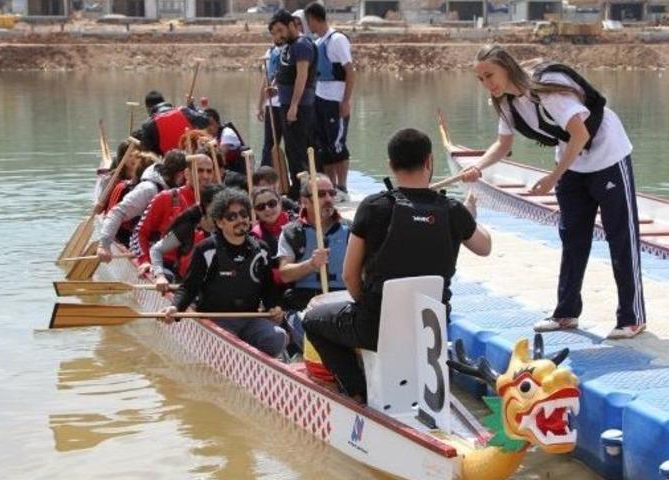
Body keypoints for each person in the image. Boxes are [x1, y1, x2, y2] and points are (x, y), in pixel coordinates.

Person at [463, 45, 646, 339]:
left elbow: (581, 133)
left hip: (608, 155)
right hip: (572, 161)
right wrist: (477, 167)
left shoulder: (546, 92)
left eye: (490, 75)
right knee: (572, 236)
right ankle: (566, 313)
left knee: (620, 237)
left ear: (506, 68)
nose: (487, 83)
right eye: (481, 79)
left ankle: (631, 317)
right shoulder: (507, 104)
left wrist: (552, 177)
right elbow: (503, 145)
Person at [302, 128, 492, 400]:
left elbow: (349, 275)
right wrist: (470, 214)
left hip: (376, 325)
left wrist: (363, 305)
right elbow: (485, 247)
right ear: (430, 161)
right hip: (431, 329)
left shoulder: (373, 207)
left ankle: (357, 392)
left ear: (390, 165)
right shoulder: (452, 210)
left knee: (312, 320)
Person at [162, 188, 288, 359]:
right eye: (232, 217)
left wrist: (275, 307)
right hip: (216, 320)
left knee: (278, 338)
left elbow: (268, 288)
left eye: (243, 214)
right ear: (220, 222)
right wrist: (175, 308)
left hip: (249, 318)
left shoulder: (261, 250)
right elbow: (189, 287)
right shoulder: (206, 249)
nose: (240, 220)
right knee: (231, 347)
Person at [132, 154, 216, 277]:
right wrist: (144, 261)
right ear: (187, 174)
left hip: (202, 268)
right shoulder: (166, 198)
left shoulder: (218, 202)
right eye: (200, 171)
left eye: (209, 171)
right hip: (167, 268)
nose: (205, 176)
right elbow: (139, 233)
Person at [97, 150, 188, 262]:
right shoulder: (149, 189)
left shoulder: (184, 190)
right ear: (180, 175)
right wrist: (104, 245)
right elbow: (118, 212)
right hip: (143, 248)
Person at [305, 2, 355, 201]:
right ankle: (331, 187)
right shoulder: (318, 42)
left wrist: (345, 101)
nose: (308, 26)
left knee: (337, 144)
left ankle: (343, 187)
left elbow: (350, 71)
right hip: (320, 99)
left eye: (308, 21)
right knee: (324, 146)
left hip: (335, 100)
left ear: (313, 19)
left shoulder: (337, 40)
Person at [277, 174, 349, 311]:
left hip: (343, 298)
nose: (328, 198)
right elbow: (285, 274)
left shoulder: (351, 230)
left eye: (332, 193)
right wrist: (311, 264)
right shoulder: (291, 233)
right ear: (305, 201)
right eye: (321, 194)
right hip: (304, 301)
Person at [270, 9, 318, 200]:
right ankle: (297, 188)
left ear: (292, 25)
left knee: (297, 151)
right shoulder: (288, 47)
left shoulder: (302, 45)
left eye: (280, 30)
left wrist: (294, 106)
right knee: (291, 149)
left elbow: (302, 75)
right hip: (287, 103)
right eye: (274, 33)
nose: (278, 36)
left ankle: (301, 192)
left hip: (299, 106)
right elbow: (287, 74)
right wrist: (275, 89)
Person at [151, 183, 225, 287]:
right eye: (218, 207)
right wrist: (159, 276)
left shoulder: (228, 231)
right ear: (206, 206)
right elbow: (156, 250)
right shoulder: (187, 228)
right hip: (185, 290)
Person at [103, 151, 159, 246]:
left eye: (134, 165)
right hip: (123, 237)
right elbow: (113, 215)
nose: (132, 168)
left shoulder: (153, 189)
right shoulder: (124, 188)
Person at [139, 100, 211, 155]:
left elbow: (146, 150)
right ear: (172, 107)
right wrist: (193, 108)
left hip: (167, 161)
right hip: (190, 155)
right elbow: (206, 121)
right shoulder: (184, 111)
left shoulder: (148, 123)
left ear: (153, 113)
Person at [258, 24, 286, 169]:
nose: (276, 37)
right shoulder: (270, 53)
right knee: (269, 143)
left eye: (279, 33)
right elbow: (265, 80)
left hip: (286, 104)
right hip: (271, 105)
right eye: (273, 34)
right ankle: (265, 174)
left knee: (291, 143)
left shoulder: (290, 50)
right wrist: (260, 106)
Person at [204, 107, 248, 175]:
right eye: (205, 124)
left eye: (211, 124)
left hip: (235, 173)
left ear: (218, 123)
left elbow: (221, 158)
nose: (208, 127)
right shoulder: (209, 136)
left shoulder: (227, 133)